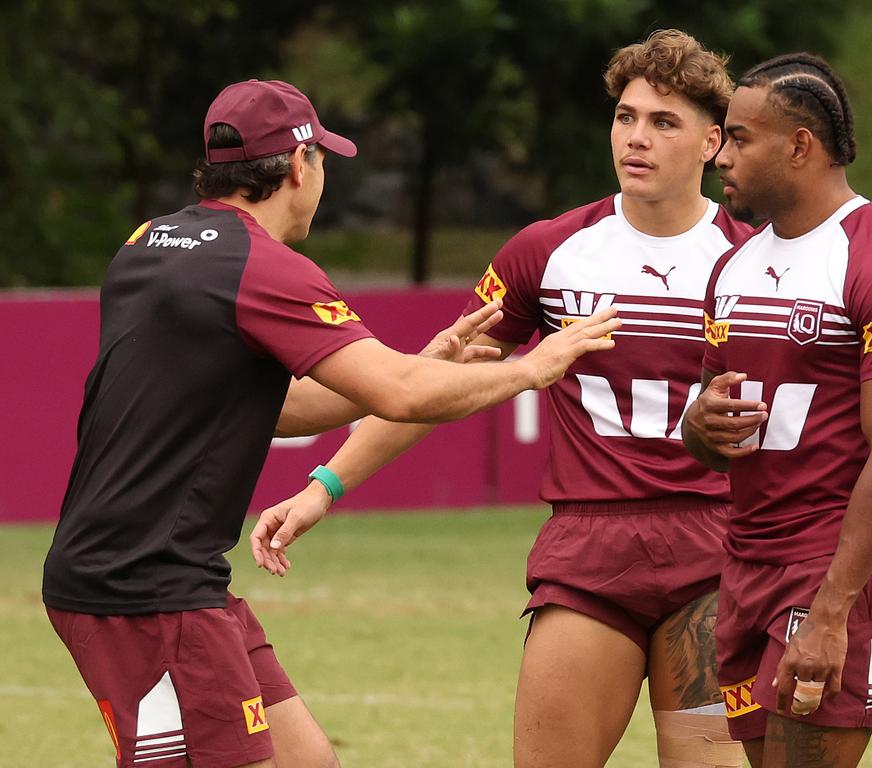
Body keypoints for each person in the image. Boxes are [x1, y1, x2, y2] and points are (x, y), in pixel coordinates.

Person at [41, 78, 619, 768]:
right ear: (296, 166)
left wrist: (418, 361)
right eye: (322, 161)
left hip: (165, 578)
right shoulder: (262, 266)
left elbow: (272, 405)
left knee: (306, 758)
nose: (323, 179)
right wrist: (533, 366)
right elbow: (402, 395)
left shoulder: (149, 243)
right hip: (142, 591)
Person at [251, 31, 751, 768]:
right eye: (625, 116)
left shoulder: (754, 261)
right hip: (590, 555)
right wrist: (325, 485)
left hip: (716, 555)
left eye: (663, 122)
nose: (636, 138)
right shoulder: (545, 252)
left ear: (712, 141)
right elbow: (435, 385)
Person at [683, 53, 872, 767]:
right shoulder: (731, 268)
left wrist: (832, 613)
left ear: (800, 146)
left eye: (739, 139)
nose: (721, 158)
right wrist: (697, 426)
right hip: (747, 564)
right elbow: (709, 431)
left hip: (834, 571)